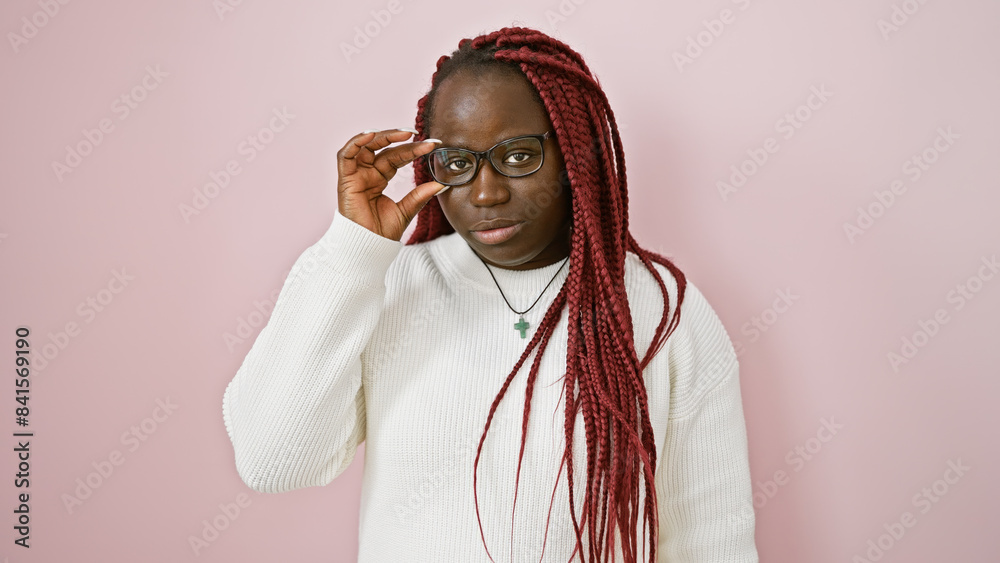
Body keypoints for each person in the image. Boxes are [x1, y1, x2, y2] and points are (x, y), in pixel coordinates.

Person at [222, 26, 758, 562]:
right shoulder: (385, 288)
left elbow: (712, 536)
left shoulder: (661, 310)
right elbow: (273, 461)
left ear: (573, 153)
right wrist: (352, 252)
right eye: (456, 164)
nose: (485, 191)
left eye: (519, 156)